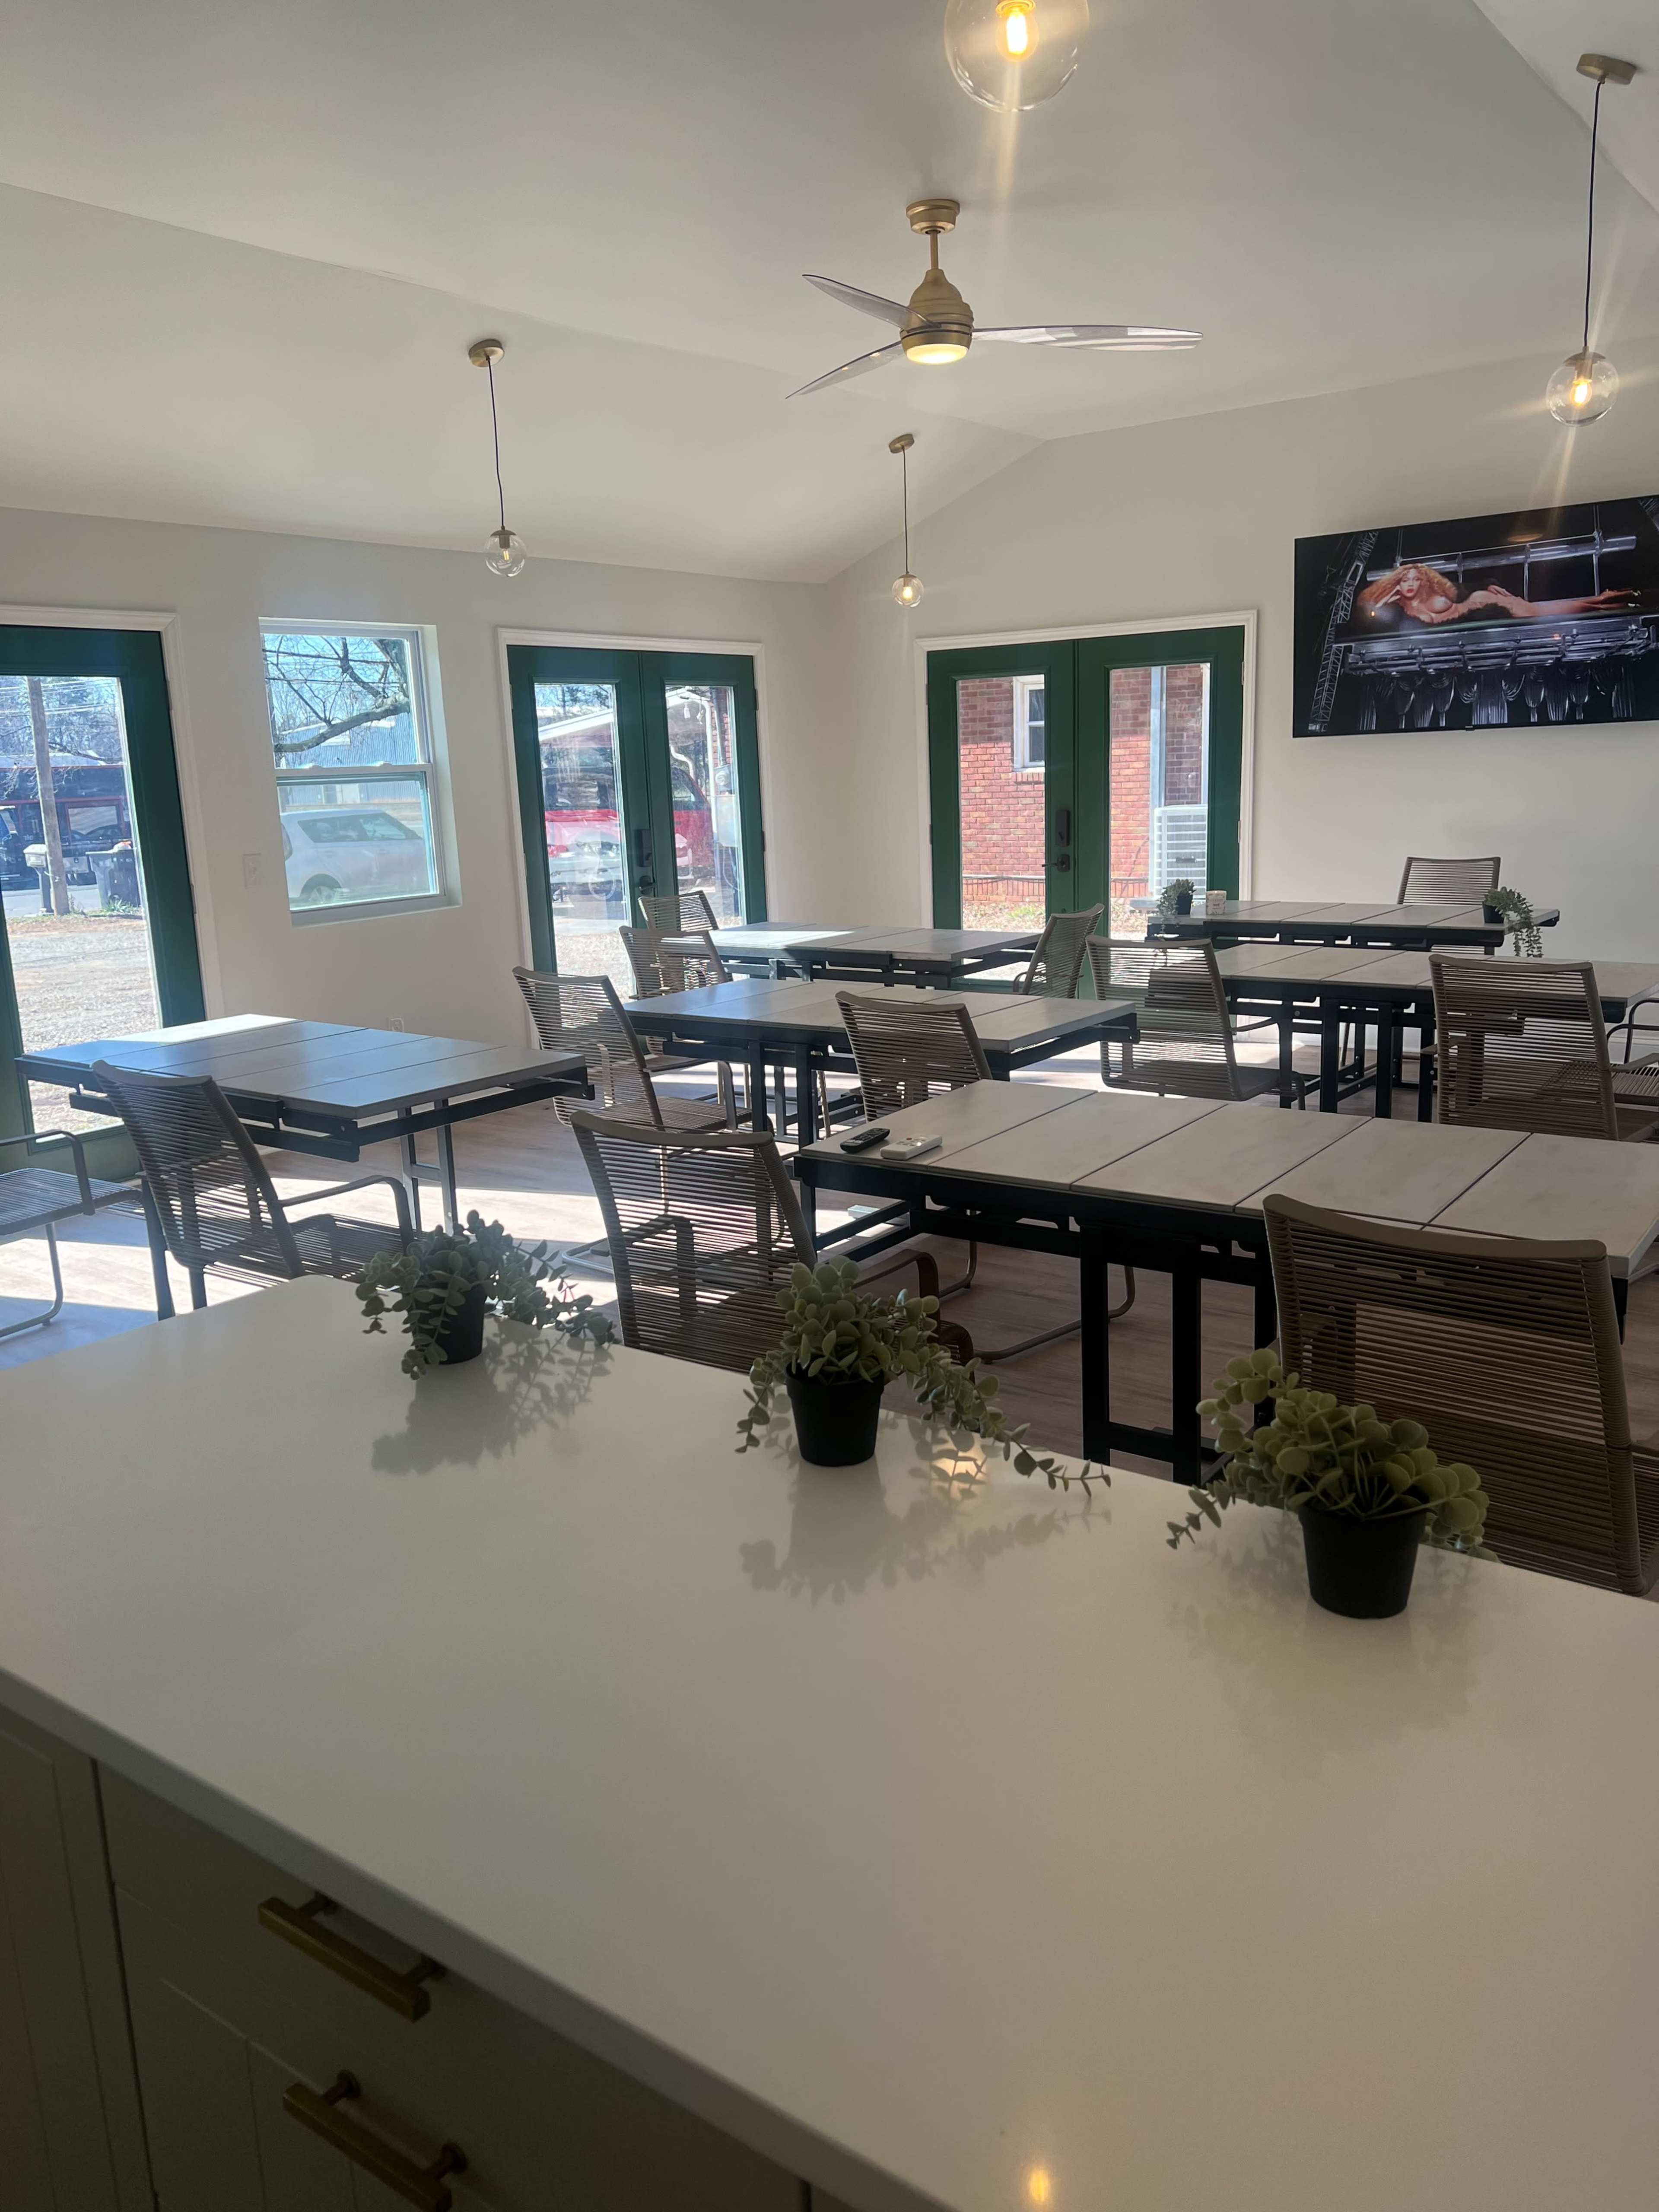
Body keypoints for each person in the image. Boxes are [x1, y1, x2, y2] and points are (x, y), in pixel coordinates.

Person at [1356, 561, 1637, 626]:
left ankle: (1606, 603)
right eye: (1404, 580)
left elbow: (1463, 591)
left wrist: (1487, 585)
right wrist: (1390, 593)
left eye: (1416, 579)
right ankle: (1606, 600)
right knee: (1547, 610)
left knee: (1546, 612)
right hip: (1485, 609)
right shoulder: (1400, 609)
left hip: (1486, 606)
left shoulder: (1433, 595)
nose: (1411, 584)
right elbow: (1372, 604)